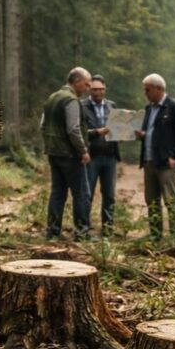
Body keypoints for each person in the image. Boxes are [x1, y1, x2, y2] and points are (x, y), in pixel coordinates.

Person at [134, 73, 175, 241]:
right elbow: (152, 132)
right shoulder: (148, 108)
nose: (145, 93)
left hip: (166, 162)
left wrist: (174, 155)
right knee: (151, 200)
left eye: (148, 90)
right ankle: (155, 236)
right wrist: (143, 135)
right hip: (149, 160)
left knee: (170, 200)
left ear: (159, 89)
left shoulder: (174, 107)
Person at [41, 67, 92, 240]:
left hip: (54, 154)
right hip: (70, 155)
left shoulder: (52, 98)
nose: (88, 88)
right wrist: (83, 150)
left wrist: (51, 144)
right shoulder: (71, 100)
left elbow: (42, 126)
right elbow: (73, 129)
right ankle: (82, 233)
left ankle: (53, 232)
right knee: (81, 194)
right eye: (86, 84)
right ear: (77, 81)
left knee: (57, 193)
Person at [82, 75, 120, 237]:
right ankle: (84, 228)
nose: (98, 92)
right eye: (95, 89)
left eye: (101, 89)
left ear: (105, 89)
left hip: (110, 156)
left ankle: (108, 229)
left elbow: (118, 127)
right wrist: (96, 132)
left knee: (109, 195)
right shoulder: (82, 106)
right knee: (87, 194)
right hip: (92, 156)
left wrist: (121, 134)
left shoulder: (112, 106)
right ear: (89, 89)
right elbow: (80, 132)